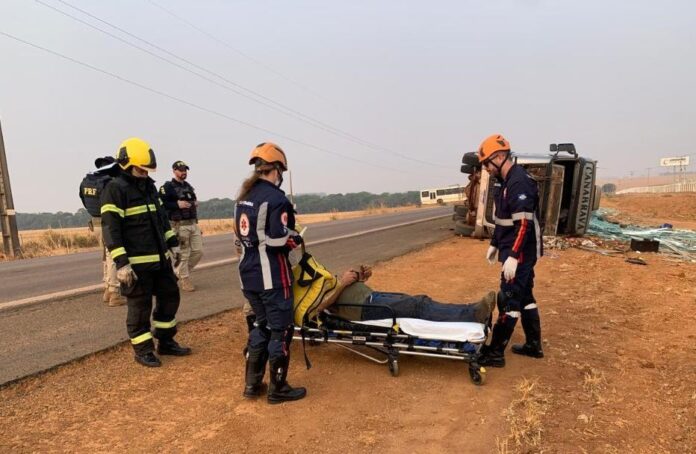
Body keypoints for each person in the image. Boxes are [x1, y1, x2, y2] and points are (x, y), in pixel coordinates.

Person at [101, 137, 192, 367]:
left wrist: (172, 244)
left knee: (170, 297)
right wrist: (121, 263)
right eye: (141, 169)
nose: (144, 173)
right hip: (136, 264)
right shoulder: (114, 189)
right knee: (140, 308)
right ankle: (143, 350)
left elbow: (161, 220)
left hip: (160, 260)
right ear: (126, 164)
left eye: (147, 170)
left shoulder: (149, 187)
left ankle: (166, 341)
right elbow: (111, 230)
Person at [235, 142, 306, 404]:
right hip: (272, 277)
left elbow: (242, 236)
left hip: (248, 275)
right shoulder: (277, 199)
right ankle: (278, 389)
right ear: (276, 169)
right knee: (280, 330)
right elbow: (277, 239)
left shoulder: (243, 197)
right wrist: (294, 239)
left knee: (259, 325)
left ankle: (252, 385)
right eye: (281, 171)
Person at [475, 134, 544, 368]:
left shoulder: (519, 182)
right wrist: (495, 243)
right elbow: (503, 219)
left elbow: (523, 224)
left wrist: (513, 256)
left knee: (509, 298)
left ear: (500, 156)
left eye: (487, 162)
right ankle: (534, 346)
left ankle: (495, 353)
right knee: (525, 297)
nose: (485, 168)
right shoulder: (504, 182)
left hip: (521, 251)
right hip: (510, 248)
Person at [313, 265, 496, 324]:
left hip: (372, 297)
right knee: (417, 305)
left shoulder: (316, 280)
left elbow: (343, 289)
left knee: (419, 302)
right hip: (363, 310)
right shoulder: (304, 296)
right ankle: (473, 314)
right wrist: (343, 284)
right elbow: (319, 308)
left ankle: (471, 310)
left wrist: (360, 277)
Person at [79, 156, 125, 307]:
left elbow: (84, 200)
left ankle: (106, 288)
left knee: (105, 255)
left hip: (95, 222)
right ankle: (114, 293)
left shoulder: (86, 181)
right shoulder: (108, 183)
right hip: (107, 222)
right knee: (113, 255)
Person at [159, 160, 203, 292]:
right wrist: (176, 205)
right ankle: (184, 279)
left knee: (198, 252)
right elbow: (160, 204)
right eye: (181, 170)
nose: (184, 172)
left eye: (185, 170)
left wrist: (194, 203)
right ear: (174, 171)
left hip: (192, 224)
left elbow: (192, 200)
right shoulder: (167, 187)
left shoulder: (189, 187)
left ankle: (177, 273)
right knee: (184, 254)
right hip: (179, 225)